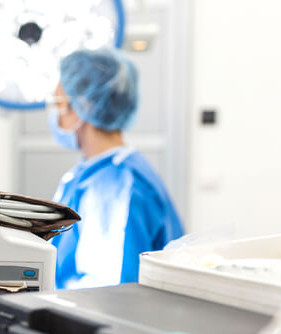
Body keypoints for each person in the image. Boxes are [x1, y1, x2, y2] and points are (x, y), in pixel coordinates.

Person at [47, 48, 184, 289]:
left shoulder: (115, 185)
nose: (55, 114)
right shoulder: (91, 173)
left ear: (83, 106)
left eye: (59, 103)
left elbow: (106, 294)